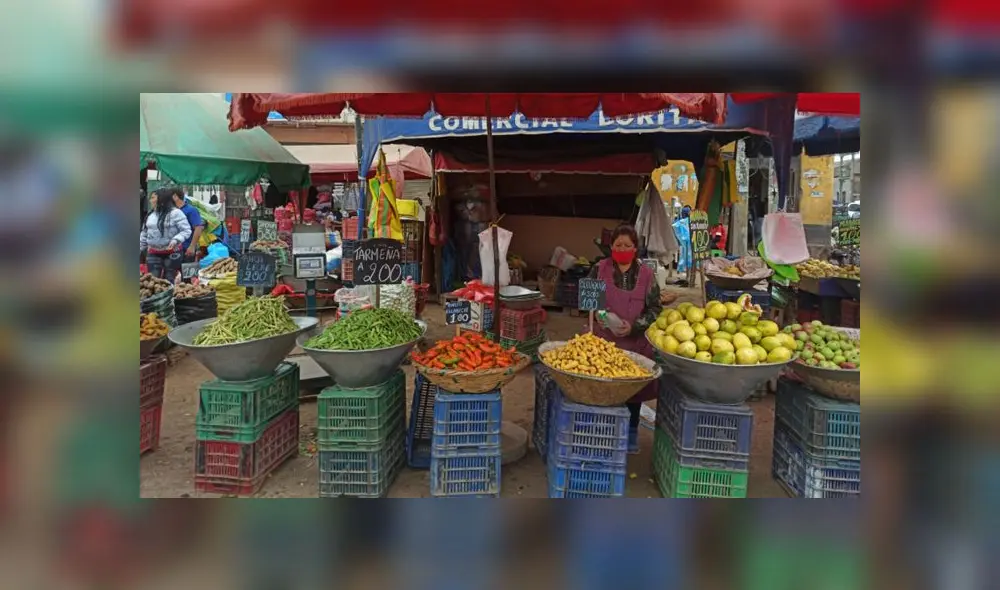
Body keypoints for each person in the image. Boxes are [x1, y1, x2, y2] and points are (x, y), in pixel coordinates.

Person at [587, 225, 663, 453]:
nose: (622, 249)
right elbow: (589, 303)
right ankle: (603, 432)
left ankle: (630, 432)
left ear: (635, 248)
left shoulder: (647, 275)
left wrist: (634, 326)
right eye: (618, 245)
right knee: (602, 390)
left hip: (634, 343)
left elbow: (655, 309)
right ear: (611, 247)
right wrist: (599, 316)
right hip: (602, 343)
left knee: (633, 392)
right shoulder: (599, 269)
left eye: (627, 246)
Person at [140, 188, 192, 280]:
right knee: (153, 279)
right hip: (153, 252)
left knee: (169, 278)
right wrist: (140, 248)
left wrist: (176, 240)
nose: (150, 200)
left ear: (162, 199)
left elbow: (186, 230)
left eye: (153, 198)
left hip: (173, 253)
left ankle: (169, 293)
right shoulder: (150, 215)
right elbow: (144, 233)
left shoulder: (176, 213)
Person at [169, 186, 205, 262]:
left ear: (175, 196)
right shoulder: (172, 211)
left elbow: (198, 228)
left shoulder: (191, 210)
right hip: (172, 249)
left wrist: (192, 246)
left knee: (185, 272)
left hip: (186, 250)